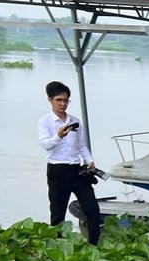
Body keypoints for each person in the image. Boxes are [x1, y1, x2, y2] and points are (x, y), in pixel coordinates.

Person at [38, 81, 102, 244]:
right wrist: (58, 136)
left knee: (92, 210)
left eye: (66, 100)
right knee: (58, 213)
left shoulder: (75, 121)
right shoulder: (45, 122)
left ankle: (94, 245)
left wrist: (89, 160)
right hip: (57, 171)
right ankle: (57, 247)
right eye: (59, 100)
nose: (63, 104)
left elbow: (81, 145)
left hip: (77, 171)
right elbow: (45, 145)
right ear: (50, 100)